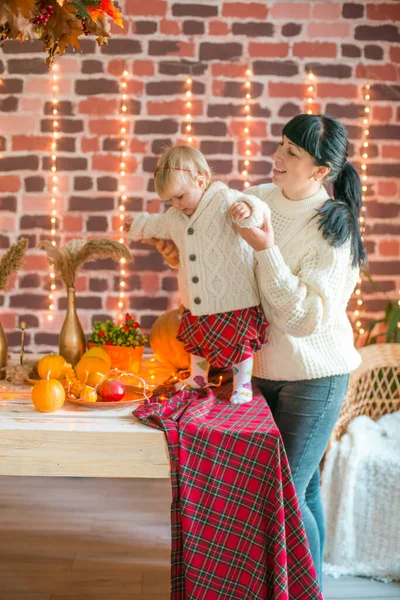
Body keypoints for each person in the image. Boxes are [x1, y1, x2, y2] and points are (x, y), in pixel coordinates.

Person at [143, 114, 366, 589]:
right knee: (302, 488)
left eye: (292, 153)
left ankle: (304, 587)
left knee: (288, 492)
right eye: (281, 145)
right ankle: (313, 586)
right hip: (261, 366)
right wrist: (182, 252)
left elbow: (301, 318)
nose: (277, 157)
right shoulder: (257, 199)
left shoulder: (333, 230)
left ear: (320, 171)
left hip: (315, 377)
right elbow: (222, 261)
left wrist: (266, 247)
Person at [124, 145, 269, 404]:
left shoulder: (225, 200)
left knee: (240, 343)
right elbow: (158, 224)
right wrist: (137, 225)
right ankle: (198, 378)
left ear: (200, 181)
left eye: (180, 196)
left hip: (233, 294)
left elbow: (256, 206)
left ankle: (242, 383)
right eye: (170, 200)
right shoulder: (175, 215)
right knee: (197, 342)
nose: (176, 204)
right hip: (197, 298)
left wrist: (248, 210)